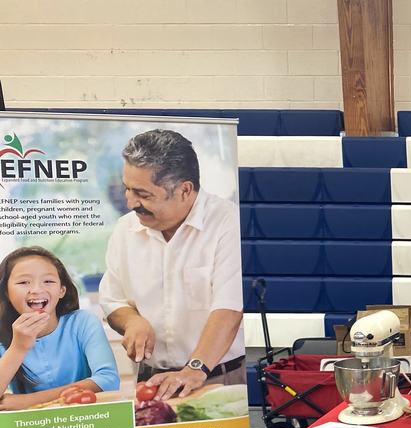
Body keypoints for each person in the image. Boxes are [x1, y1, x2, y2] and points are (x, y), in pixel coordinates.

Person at [98, 129, 245, 403]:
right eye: (127, 188)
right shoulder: (124, 230)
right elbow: (113, 301)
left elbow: (230, 308)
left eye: (142, 194)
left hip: (217, 378)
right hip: (150, 382)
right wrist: (132, 321)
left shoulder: (229, 223)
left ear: (184, 190)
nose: (130, 202)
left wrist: (195, 368)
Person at [0, 247, 120, 410]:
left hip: (89, 416)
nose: (36, 290)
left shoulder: (82, 322)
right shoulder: (3, 337)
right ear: (6, 292)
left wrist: (30, 401)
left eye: (48, 281)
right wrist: (18, 348)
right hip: (32, 424)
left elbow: (108, 380)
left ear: (62, 290)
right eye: (23, 282)